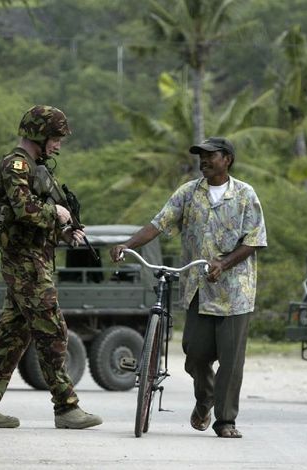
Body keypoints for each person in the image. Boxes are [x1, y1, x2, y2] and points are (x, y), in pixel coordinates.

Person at [110, 137, 266, 438]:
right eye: (201, 156)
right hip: (198, 289)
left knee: (231, 363)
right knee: (194, 354)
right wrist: (127, 244)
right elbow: (159, 223)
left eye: (211, 156)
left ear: (227, 159)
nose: (204, 161)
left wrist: (225, 263)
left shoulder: (245, 194)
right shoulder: (189, 193)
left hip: (235, 294)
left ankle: (225, 421)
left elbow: (254, 240)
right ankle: (205, 398)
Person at [0, 105, 102, 430]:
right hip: (25, 264)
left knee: (11, 338)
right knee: (52, 330)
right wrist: (55, 212)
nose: (58, 145)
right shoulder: (16, 166)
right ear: (39, 135)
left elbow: (35, 219)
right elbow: (25, 210)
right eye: (55, 138)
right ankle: (67, 407)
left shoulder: (34, 167)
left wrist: (65, 232)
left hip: (35, 259)